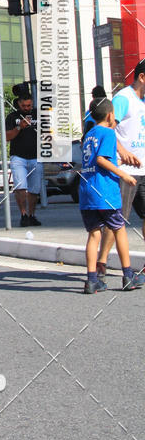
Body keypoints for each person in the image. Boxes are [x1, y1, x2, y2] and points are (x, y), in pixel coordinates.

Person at [79, 98, 143, 292]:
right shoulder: (108, 133)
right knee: (119, 229)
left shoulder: (89, 134)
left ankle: (92, 280)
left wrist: (123, 163)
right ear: (110, 116)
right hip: (105, 192)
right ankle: (128, 275)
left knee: (94, 234)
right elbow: (101, 160)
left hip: (88, 192)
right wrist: (124, 175)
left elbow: (99, 161)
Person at [96, 61, 145, 281]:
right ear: (142, 77)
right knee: (117, 220)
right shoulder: (124, 98)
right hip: (124, 171)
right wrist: (122, 150)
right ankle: (101, 264)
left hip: (143, 168)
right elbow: (106, 129)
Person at [5, 86, 43, 227]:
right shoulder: (12, 117)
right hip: (18, 157)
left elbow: (48, 132)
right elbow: (7, 137)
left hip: (36, 157)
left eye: (29, 106)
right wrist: (19, 127)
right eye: (24, 106)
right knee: (20, 187)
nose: (27, 108)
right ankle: (23, 214)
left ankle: (32, 215)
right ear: (19, 104)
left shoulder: (39, 115)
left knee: (34, 189)